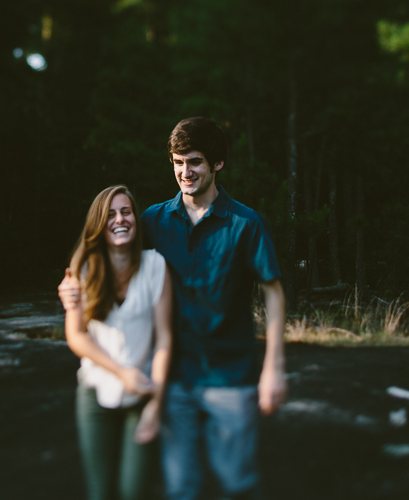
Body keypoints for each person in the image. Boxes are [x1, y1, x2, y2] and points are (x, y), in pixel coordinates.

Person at [60, 117, 286, 500]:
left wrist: (274, 367)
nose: (185, 172)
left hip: (230, 377)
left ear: (217, 164)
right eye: (178, 162)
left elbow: (274, 293)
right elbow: (112, 251)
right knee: (181, 488)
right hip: (174, 380)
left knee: (236, 482)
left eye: (195, 161)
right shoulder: (152, 220)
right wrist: (72, 286)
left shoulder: (247, 224)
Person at [60, 184, 173, 500]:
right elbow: (76, 336)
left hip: (141, 397)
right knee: (101, 493)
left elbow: (165, 339)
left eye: (126, 212)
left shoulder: (155, 266)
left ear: (136, 219)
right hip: (95, 395)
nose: (119, 220)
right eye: (110, 215)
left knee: (133, 490)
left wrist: (155, 405)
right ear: (99, 223)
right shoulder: (84, 270)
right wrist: (123, 373)